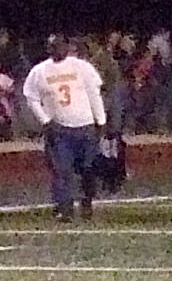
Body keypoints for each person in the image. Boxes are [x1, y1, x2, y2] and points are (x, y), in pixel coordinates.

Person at [21, 36, 109, 221]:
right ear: (48, 48)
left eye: (60, 46)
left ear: (67, 47)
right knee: (62, 170)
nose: (57, 49)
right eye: (53, 46)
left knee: (88, 169)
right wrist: (45, 120)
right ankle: (65, 208)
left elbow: (94, 94)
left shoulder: (82, 67)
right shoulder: (39, 71)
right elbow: (31, 97)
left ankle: (86, 201)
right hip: (60, 129)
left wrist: (101, 120)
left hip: (85, 125)